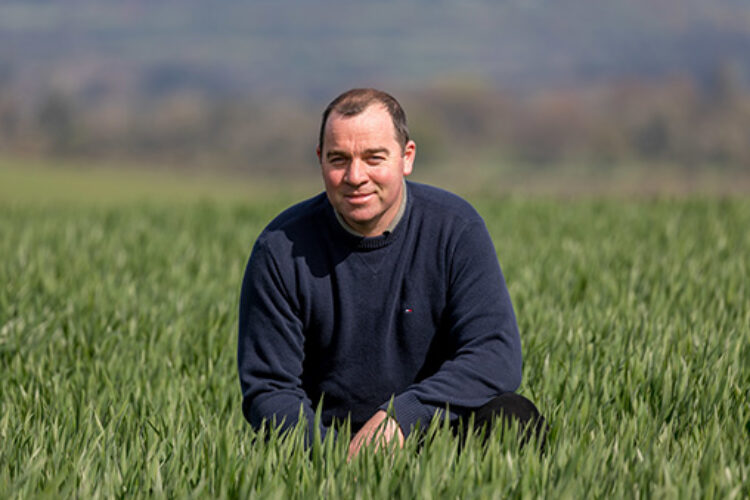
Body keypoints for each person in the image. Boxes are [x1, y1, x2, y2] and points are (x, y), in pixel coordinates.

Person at [238, 88, 545, 459]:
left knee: (513, 416)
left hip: (438, 431)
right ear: (320, 159)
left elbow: (495, 355)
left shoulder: (455, 229)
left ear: (406, 157)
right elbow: (269, 389)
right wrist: (337, 457)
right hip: (328, 442)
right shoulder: (280, 249)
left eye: (373, 158)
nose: (355, 176)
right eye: (339, 159)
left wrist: (401, 417)